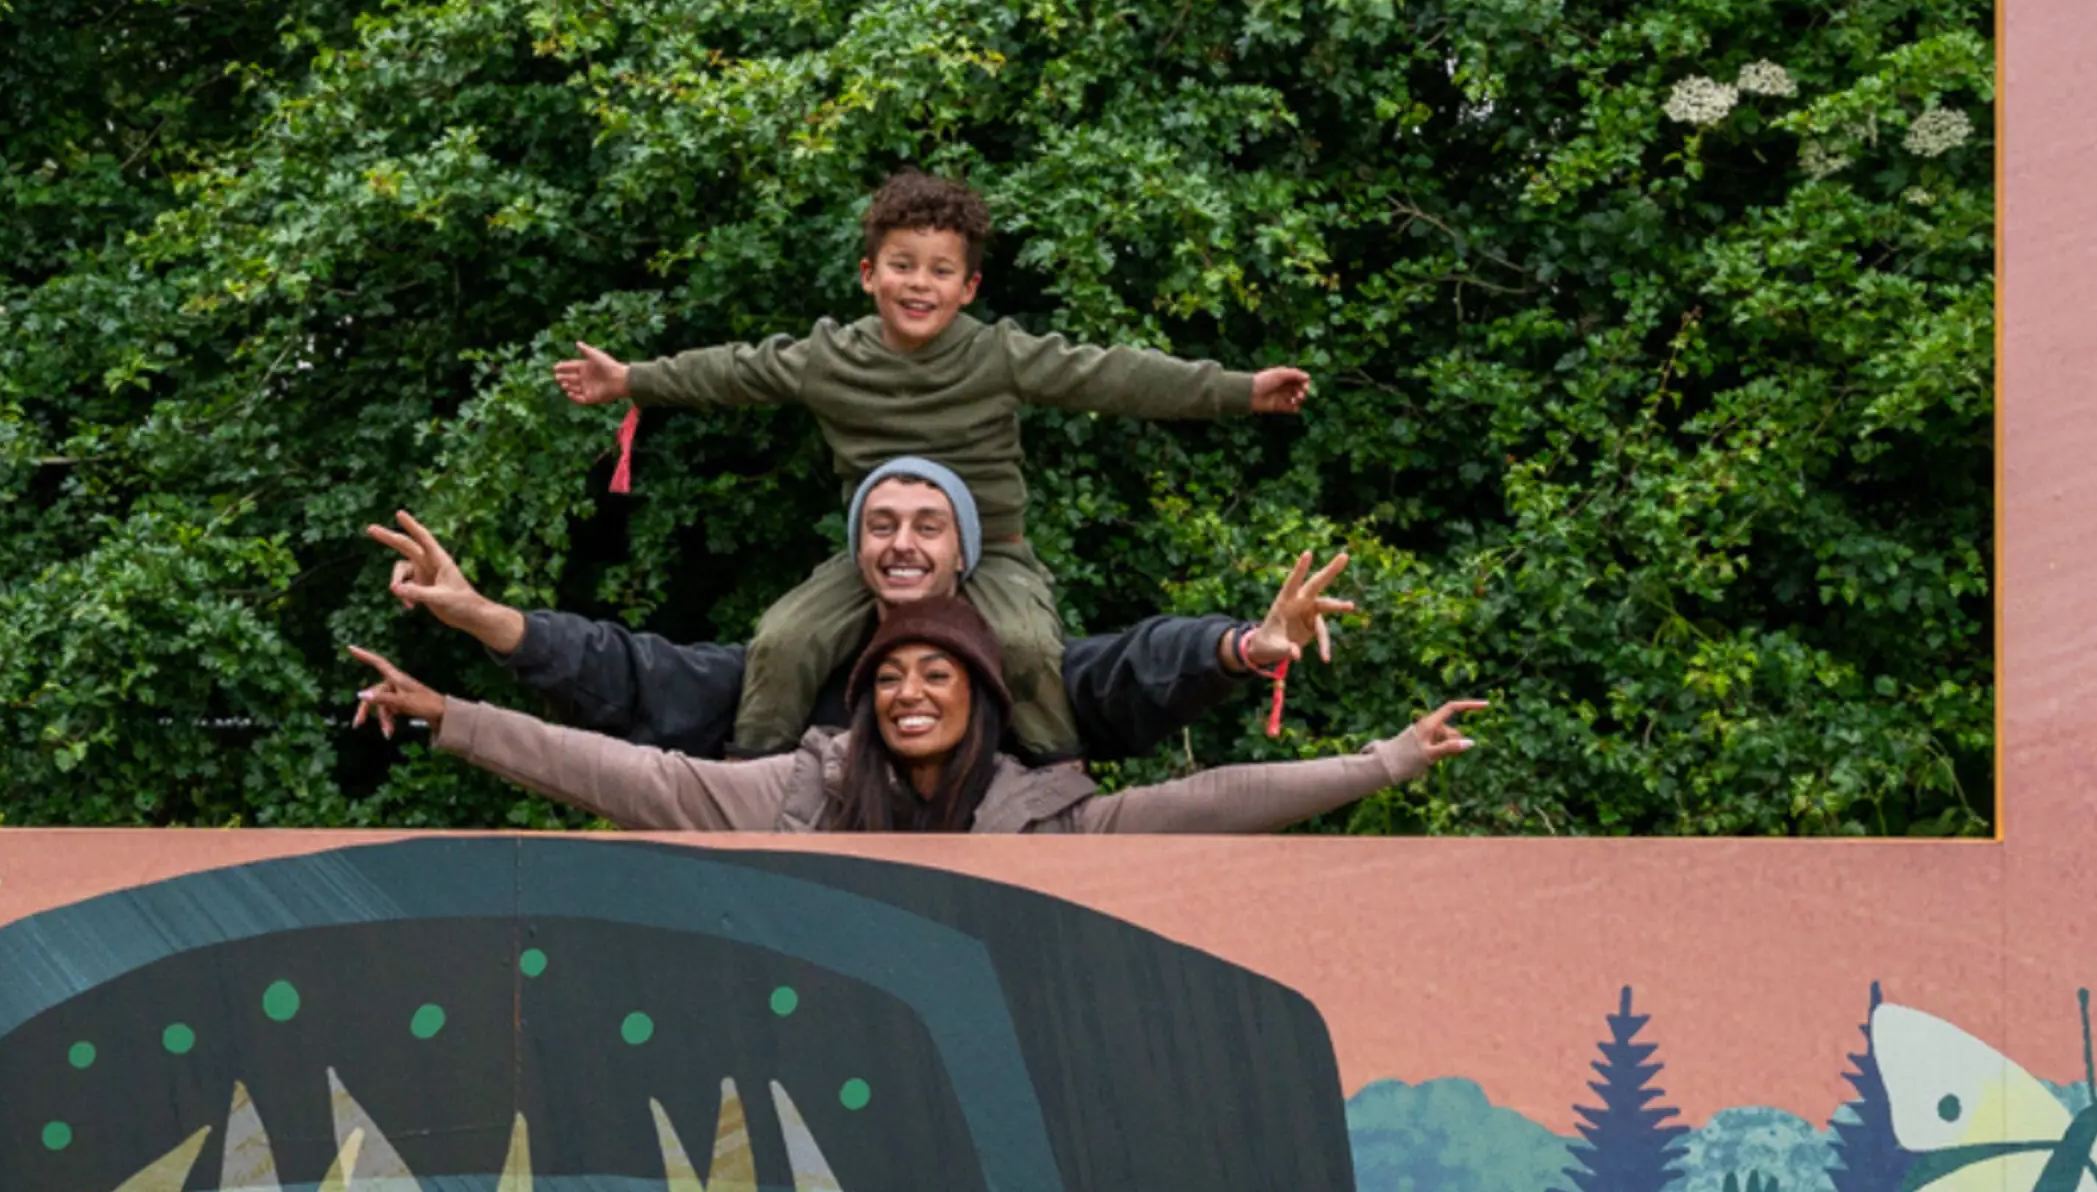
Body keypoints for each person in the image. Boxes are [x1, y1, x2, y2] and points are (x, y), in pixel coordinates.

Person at [552, 168, 1311, 755]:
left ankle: (1055, 781)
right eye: (903, 266)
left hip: (994, 559)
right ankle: (758, 798)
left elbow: (1113, 375)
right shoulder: (829, 358)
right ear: (868, 274)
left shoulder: (996, 354)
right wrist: (632, 380)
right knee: (781, 644)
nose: (920, 284)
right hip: (878, 558)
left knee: (1023, 649)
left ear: (968, 286)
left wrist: (1241, 392)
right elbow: (732, 371)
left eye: (940, 271)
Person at [363, 460, 1359, 761]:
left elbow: (1134, 667)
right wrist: (489, 619)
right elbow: (637, 678)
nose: (902, 542)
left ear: (966, 554)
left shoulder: (1021, 670)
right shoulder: (802, 683)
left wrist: (1247, 645)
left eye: (928, 524)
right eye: (881, 524)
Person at [352, 592, 1481, 835]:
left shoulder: (1042, 814)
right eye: (891, 678)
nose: (910, 693)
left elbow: (1209, 801)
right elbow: (618, 773)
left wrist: (1380, 762)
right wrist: (453, 713)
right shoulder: (803, 787)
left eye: (939, 677)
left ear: (984, 700)